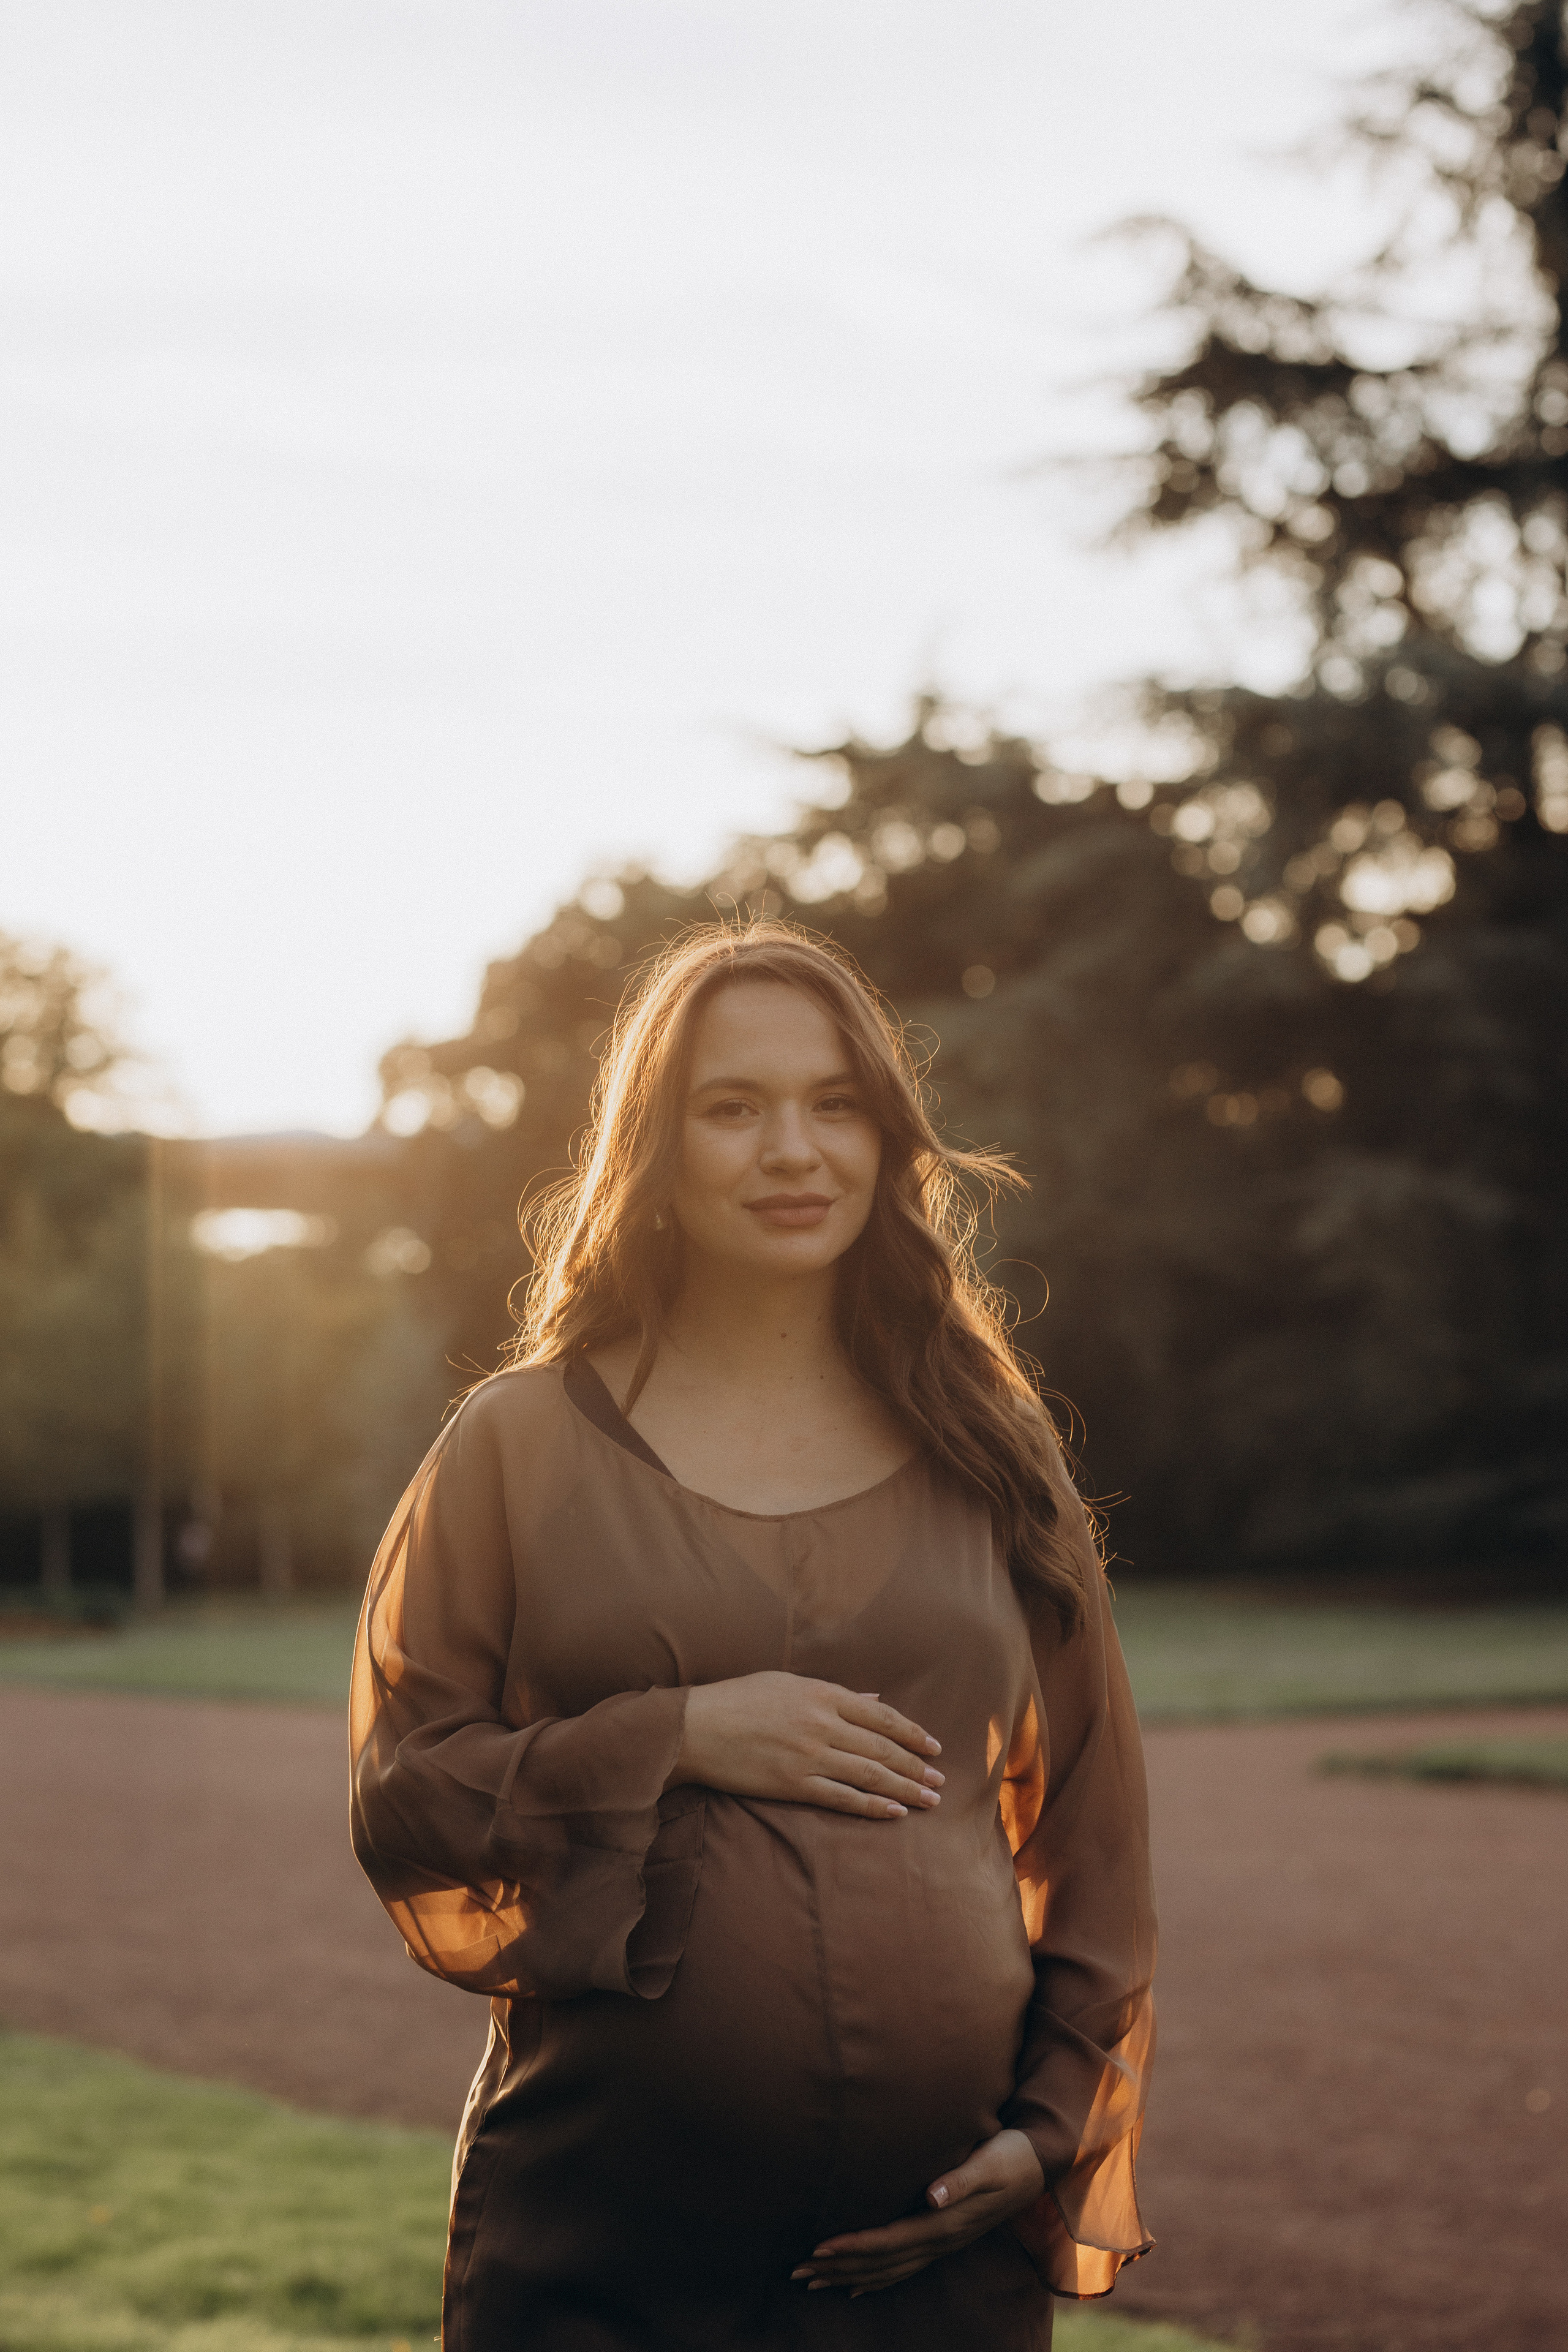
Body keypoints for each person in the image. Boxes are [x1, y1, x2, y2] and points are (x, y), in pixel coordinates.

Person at [350, 922, 1156, 2352]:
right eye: (733, 1108)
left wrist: (1045, 2135)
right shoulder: (518, 1442)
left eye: (834, 1102)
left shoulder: (989, 1438)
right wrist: (675, 1734)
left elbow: (1090, 1827)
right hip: (605, 2253)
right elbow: (405, 1801)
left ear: (885, 1134)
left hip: (936, 2276)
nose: (794, 1148)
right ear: (654, 1148)